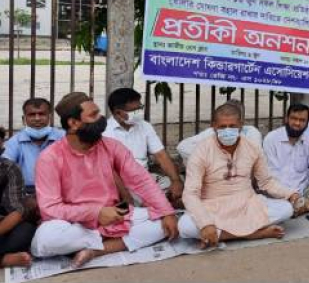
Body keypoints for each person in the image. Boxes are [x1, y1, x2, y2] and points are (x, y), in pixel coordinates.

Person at [30, 92, 178, 268]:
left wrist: (166, 212)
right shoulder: (49, 157)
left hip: (115, 215)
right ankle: (107, 240)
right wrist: (96, 213)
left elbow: (141, 180)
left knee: (164, 222)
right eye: (93, 115)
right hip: (75, 223)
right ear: (73, 123)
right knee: (46, 239)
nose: (101, 119)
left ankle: (96, 250)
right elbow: (50, 208)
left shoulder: (111, 146)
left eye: (98, 112)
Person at [178, 102, 299, 248]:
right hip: (213, 205)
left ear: (241, 125)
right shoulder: (201, 151)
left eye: (232, 126)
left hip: (247, 204)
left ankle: (217, 235)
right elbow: (190, 193)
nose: (227, 130)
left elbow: (266, 182)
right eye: (222, 126)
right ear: (214, 126)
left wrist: (290, 194)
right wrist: (205, 223)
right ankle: (255, 234)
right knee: (185, 227)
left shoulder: (253, 147)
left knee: (287, 209)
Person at [103, 88, 184, 206]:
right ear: (118, 113)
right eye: (134, 110)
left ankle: (159, 203)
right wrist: (126, 196)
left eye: (140, 107)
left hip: (145, 178)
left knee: (180, 188)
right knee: (152, 201)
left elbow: (161, 155)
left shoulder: (144, 126)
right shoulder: (105, 132)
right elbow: (110, 171)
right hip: (122, 183)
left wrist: (176, 181)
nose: (140, 113)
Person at [2, 98, 65, 193]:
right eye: (32, 115)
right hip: (25, 192)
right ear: (24, 119)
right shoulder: (14, 142)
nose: (37, 119)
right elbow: (5, 167)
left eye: (42, 114)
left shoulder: (63, 138)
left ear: (50, 117)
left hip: (60, 190)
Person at [177, 99, 263, 166]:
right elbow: (182, 147)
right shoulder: (213, 131)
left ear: (241, 120)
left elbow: (254, 155)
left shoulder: (250, 132)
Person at [1, 158, 37, 268]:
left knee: (26, 231)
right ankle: (4, 260)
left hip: (3, 226)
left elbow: (18, 212)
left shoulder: (10, 168)